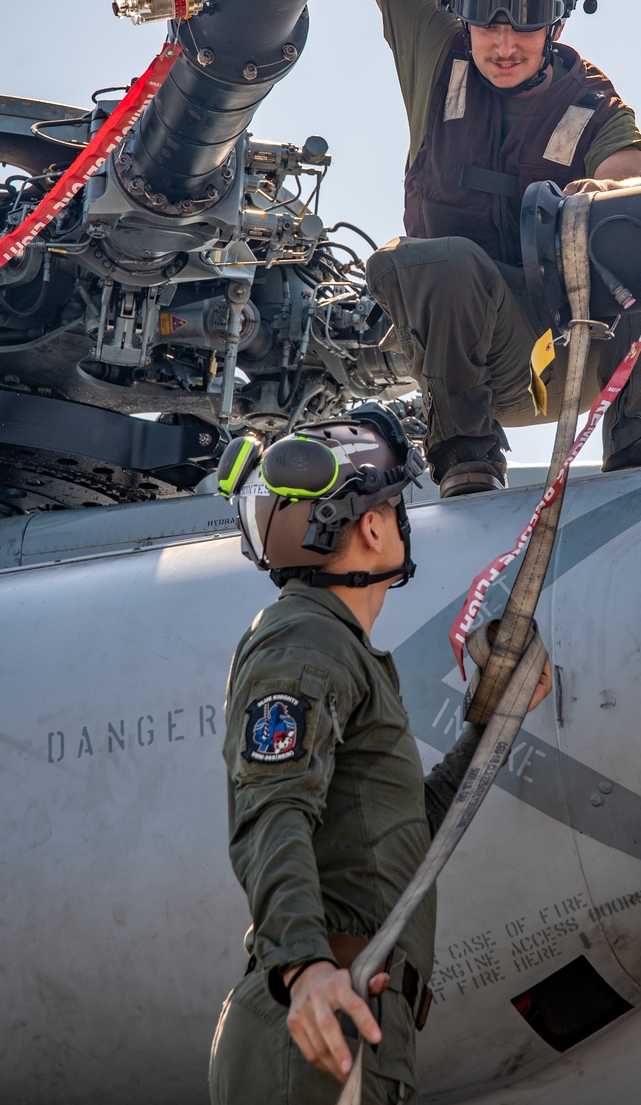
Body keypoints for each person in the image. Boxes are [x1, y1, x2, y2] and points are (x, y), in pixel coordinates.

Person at [208, 403, 552, 1103]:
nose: (399, 522)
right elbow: (272, 809)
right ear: (370, 525)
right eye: (397, 507)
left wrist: (493, 721)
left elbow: (401, 839)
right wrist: (304, 968)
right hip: (312, 1024)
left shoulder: (338, 649)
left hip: (353, 1023)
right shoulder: (301, 641)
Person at [346, 0, 641, 497]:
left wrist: (611, 190)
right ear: (461, 16)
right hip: (475, 357)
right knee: (436, 259)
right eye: (485, 23)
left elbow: (633, 173)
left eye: (523, 24)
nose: (501, 46)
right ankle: (465, 454)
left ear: (556, 25)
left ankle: (638, 430)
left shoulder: (591, 102)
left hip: (574, 348)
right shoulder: (437, 54)